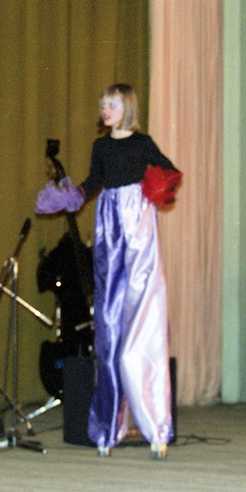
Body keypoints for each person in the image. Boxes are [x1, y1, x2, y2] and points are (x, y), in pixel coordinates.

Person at [77, 84, 179, 459]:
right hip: (109, 225)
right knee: (108, 320)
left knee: (143, 315)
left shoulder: (142, 143)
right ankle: (108, 427)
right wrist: (72, 195)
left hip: (137, 225)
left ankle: (156, 427)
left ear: (128, 107)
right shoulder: (101, 146)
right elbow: (92, 183)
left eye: (112, 104)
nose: (105, 109)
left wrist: (157, 186)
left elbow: (168, 171)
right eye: (102, 104)